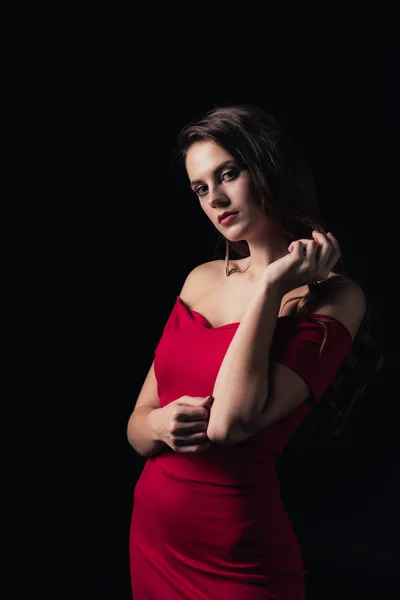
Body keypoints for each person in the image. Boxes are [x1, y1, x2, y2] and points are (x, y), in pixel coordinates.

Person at [126, 104, 383, 599]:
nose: (215, 198)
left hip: (238, 556)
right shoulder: (200, 279)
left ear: (267, 166)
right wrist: (159, 425)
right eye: (201, 187)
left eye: (228, 173)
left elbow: (230, 425)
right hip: (152, 540)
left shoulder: (337, 297)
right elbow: (137, 428)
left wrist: (268, 288)